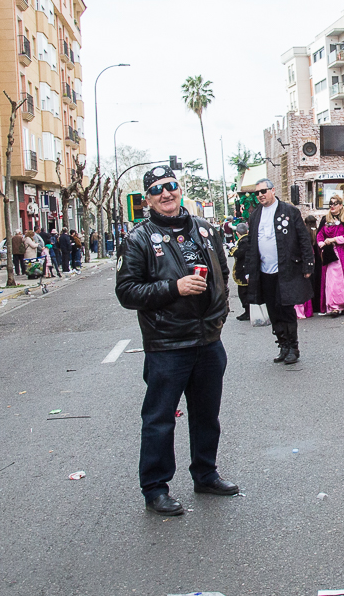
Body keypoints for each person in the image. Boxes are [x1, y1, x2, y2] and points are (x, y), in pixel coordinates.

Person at [115, 165, 237, 516]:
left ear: (179, 189)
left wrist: (219, 315)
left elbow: (222, 275)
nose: (166, 194)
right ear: (147, 200)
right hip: (167, 345)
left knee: (206, 415)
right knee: (159, 420)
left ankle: (206, 473)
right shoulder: (138, 238)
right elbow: (127, 291)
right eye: (156, 190)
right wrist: (174, 287)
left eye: (170, 186)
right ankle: (155, 489)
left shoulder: (205, 229)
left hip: (208, 341)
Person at [244, 178, 314, 364]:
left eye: (263, 191)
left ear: (273, 190)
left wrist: (308, 263)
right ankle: (282, 345)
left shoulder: (289, 211)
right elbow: (251, 245)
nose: (260, 195)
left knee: (286, 309)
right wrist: (250, 271)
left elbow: (303, 239)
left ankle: (293, 347)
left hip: (287, 269)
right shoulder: (255, 215)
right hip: (265, 272)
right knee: (273, 310)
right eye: (257, 193)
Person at [229, 223, 251, 321]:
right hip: (246, 269)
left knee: (243, 293)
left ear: (237, 233)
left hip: (244, 270)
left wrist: (233, 249)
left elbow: (240, 254)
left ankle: (248, 312)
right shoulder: (248, 239)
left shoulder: (244, 241)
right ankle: (248, 311)